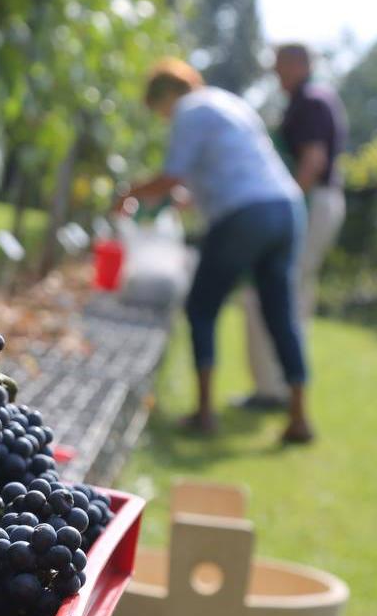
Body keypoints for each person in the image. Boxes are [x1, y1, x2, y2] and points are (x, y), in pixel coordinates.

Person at [116, 58, 314, 443]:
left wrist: (128, 194)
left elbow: (172, 175)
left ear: (166, 96)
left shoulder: (190, 110)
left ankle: (204, 412)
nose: (162, 118)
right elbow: (221, 173)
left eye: (158, 110)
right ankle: (298, 415)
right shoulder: (230, 104)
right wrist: (178, 201)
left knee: (201, 307)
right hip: (287, 209)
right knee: (279, 312)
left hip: (245, 214)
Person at [238, 43, 348, 410]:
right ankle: (282, 386)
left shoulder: (312, 100)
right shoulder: (313, 98)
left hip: (310, 201)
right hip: (315, 201)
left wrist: (284, 207)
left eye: (279, 65)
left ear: (299, 63)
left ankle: (275, 390)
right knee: (294, 294)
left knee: (274, 291)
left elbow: (312, 162)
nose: (275, 72)